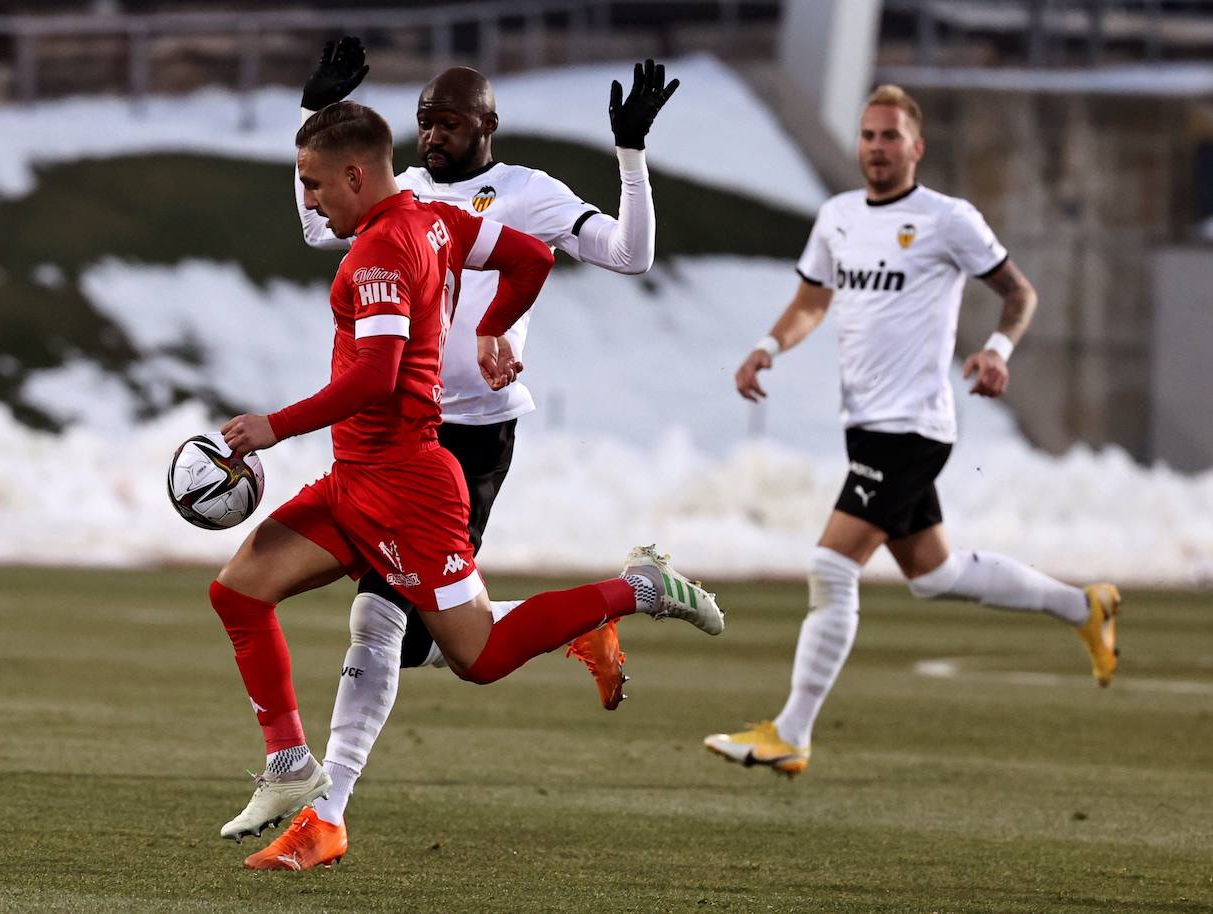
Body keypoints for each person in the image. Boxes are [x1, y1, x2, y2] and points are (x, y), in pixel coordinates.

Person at [207, 100, 722, 852]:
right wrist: (489, 328)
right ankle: (289, 765)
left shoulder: (382, 255)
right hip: (355, 479)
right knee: (240, 589)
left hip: (408, 488)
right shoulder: (432, 218)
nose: (309, 204)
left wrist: (271, 427)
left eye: (313, 185)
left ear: (356, 175)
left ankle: (640, 588)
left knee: (475, 656)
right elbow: (529, 259)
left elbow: (378, 377)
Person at [704, 85, 1120, 778]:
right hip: (865, 426)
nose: (876, 147)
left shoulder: (948, 219)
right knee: (935, 574)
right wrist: (768, 347)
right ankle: (1085, 605)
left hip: (915, 427)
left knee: (831, 566)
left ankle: (792, 733)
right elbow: (812, 300)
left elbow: (1020, 293)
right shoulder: (837, 218)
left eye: (890, 136)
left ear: (916, 147)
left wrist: (998, 351)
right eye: (868, 135)